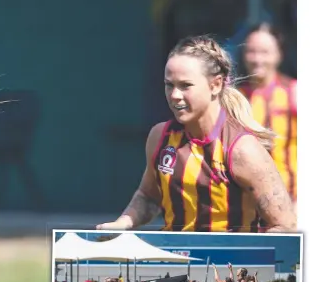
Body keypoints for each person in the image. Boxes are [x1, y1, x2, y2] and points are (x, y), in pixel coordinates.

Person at [97, 35, 296, 233]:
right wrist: (123, 223)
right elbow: (149, 196)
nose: (175, 95)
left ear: (215, 85)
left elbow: (285, 225)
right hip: (174, 261)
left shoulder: (242, 150)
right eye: (169, 85)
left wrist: (247, 257)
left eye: (185, 86)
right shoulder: (160, 137)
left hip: (227, 264)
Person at [238, 23, 297, 204]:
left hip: (292, 199)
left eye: (265, 52)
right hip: (247, 203)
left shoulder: (295, 92)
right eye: (251, 51)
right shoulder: (235, 97)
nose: (257, 59)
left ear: (279, 54)